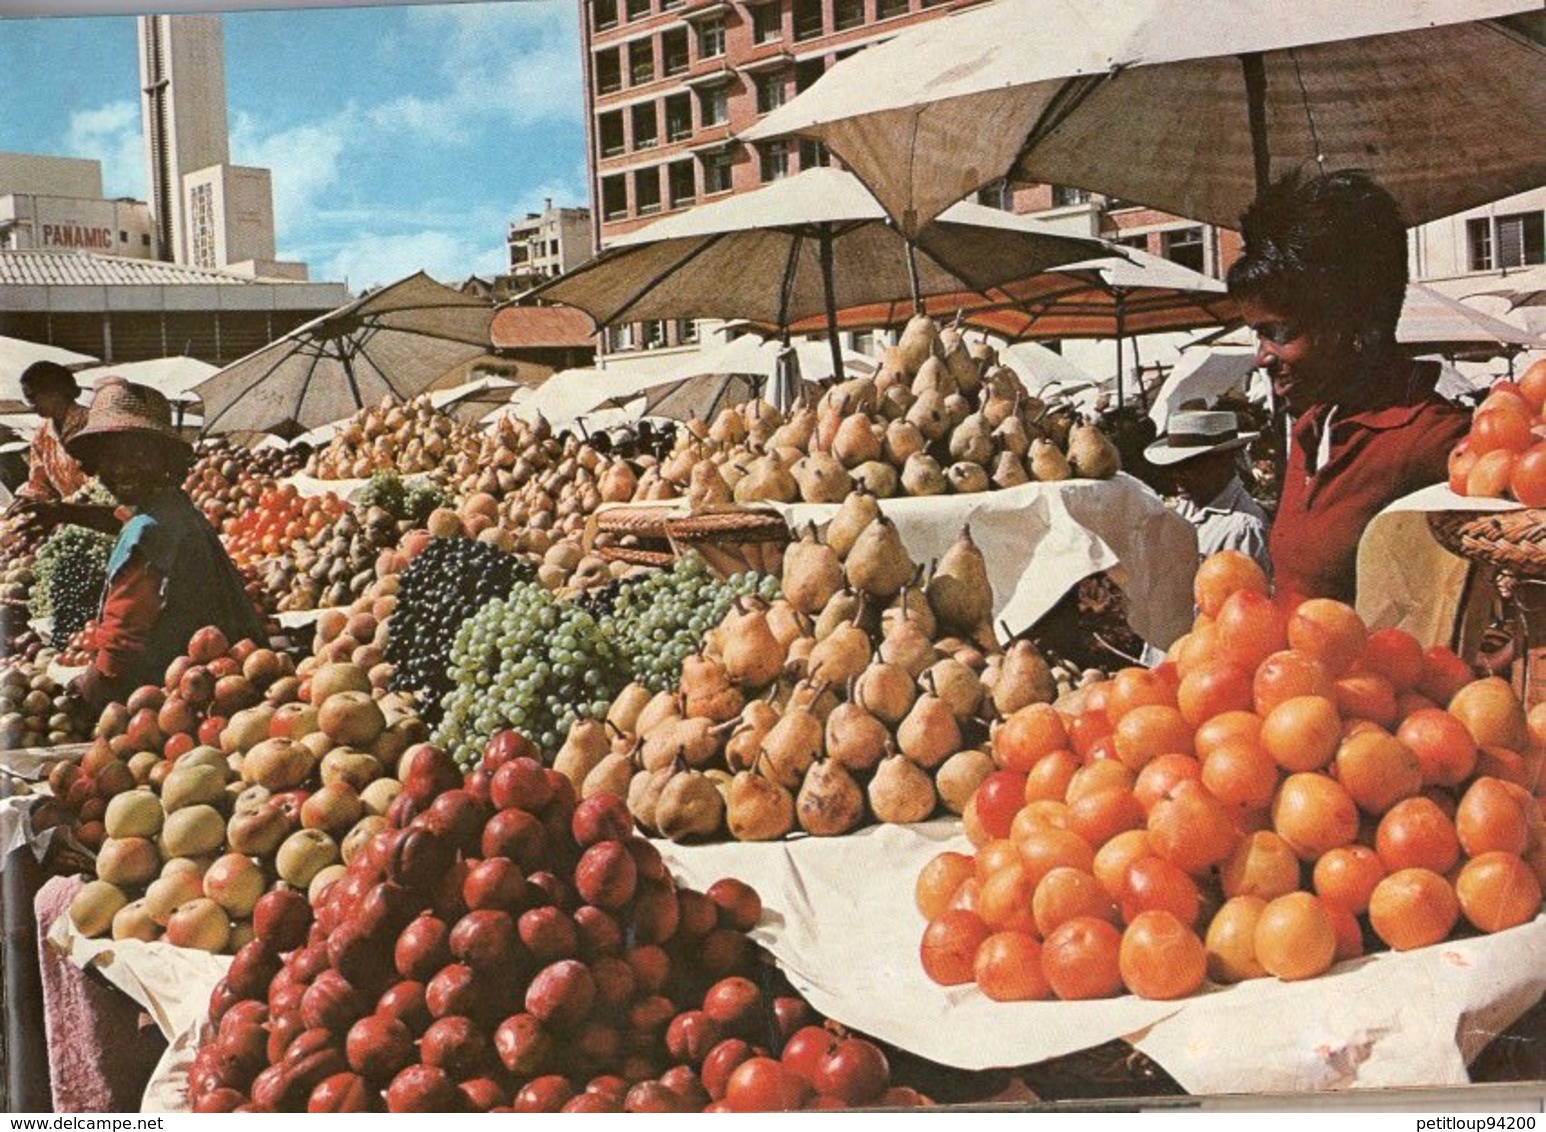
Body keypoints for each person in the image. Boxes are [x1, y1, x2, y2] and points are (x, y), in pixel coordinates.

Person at [1227, 170, 1469, 608]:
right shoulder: (1314, 426)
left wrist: (1484, 666)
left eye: (1278, 332)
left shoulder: (1429, 438)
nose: (1262, 357)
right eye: (1257, 336)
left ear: (1353, 323)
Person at [63, 377, 264, 711]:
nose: (123, 467)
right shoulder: (174, 507)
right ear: (96, 464)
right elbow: (127, 520)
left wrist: (82, 690)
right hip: (218, 681)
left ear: (166, 462)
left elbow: (119, 650)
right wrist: (62, 512)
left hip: (174, 699)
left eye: (139, 454)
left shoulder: (148, 531)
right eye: (110, 456)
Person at [1145, 409, 1272, 576]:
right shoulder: (1185, 507)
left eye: (1190, 465)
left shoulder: (1242, 528)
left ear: (1224, 461)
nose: (1177, 475)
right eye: (1174, 466)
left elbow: (1247, 596)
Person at [4, 360, 119, 536]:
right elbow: (39, 481)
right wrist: (26, 499)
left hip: (101, 516)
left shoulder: (92, 423)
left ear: (55, 393)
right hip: (66, 520)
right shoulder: (42, 434)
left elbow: (104, 482)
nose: (32, 406)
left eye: (33, 398)